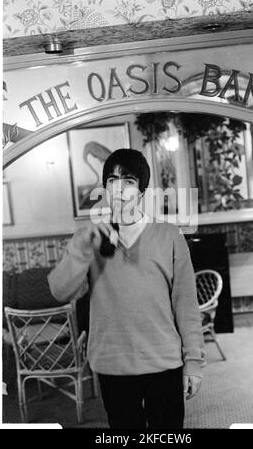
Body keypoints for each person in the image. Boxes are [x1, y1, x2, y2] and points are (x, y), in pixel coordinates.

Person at [48, 148, 205, 429]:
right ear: (105, 188)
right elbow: (60, 291)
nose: (119, 189)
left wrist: (193, 361)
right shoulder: (88, 238)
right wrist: (84, 249)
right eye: (112, 180)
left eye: (129, 181)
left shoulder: (169, 236)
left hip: (164, 362)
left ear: (142, 190)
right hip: (113, 364)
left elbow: (186, 305)